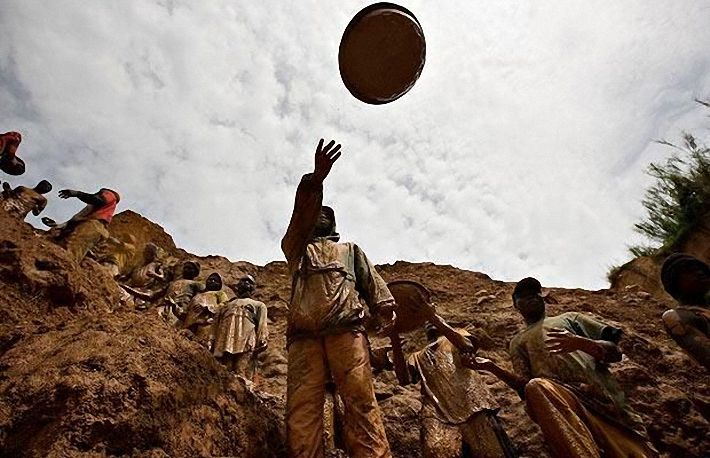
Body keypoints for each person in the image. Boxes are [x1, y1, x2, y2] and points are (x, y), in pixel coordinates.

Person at [281, 139, 395, 458]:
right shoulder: (296, 250)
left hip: (347, 332)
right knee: (302, 411)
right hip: (303, 338)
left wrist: (384, 306)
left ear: (334, 224)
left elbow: (371, 281)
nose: (320, 216)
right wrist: (316, 180)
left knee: (360, 402)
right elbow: (300, 215)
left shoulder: (349, 250)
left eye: (326, 214)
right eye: (316, 212)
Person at [462, 277, 656, 458]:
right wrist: (492, 367)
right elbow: (525, 387)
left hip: (610, 408)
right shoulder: (517, 342)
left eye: (535, 293)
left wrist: (582, 343)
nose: (530, 298)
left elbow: (616, 352)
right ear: (515, 305)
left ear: (543, 297)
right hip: (565, 403)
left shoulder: (570, 319)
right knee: (536, 387)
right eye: (523, 296)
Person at [399, 303, 517, 458]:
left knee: (492, 451)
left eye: (431, 319)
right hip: (438, 413)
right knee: (437, 449)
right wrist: (394, 337)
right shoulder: (416, 356)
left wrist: (434, 319)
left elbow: (466, 345)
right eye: (425, 321)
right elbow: (404, 379)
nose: (428, 323)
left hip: (472, 404)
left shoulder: (457, 335)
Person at [210, 275, 268, 380]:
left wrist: (262, 338)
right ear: (237, 286)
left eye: (249, 282)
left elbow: (262, 323)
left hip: (246, 337)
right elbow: (215, 325)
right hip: (226, 338)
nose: (246, 283)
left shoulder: (259, 305)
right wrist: (211, 339)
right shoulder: (226, 306)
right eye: (243, 281)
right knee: (225, 368)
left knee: (241, 368)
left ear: (253, 288)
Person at [42, 188, 120, 264]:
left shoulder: (110, 195)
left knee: (68, 256)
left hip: (92, 226)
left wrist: (77, 194)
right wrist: (56, 225)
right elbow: (74, 220)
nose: (97, 195)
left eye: (100, 194)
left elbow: (98, 200)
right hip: (92, 228)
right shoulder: (90, 210)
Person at [660, 253, 710, 370]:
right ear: (674, 281)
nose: (699, 272)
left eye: (701, 268)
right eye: (689, 270)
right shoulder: (679, 317)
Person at [183, 272, 228, 346]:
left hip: (206, 323)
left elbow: (225, 304)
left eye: (215, 280)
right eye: (210, 279)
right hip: (191, 323)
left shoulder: (220, 293)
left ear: (220, 284)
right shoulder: (197, 295)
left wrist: (208, 308)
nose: (212, 281)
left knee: (202, 343)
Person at [158, 260, 203, 325]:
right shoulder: (173, 283)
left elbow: (201, 296)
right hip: (165, 307)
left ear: (196, 272)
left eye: (190, 268)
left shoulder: (196, 284)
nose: (186, 270)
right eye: (185, 268)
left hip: (181, 309)